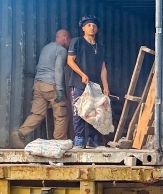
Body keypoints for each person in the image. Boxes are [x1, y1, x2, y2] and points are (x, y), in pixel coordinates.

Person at [12, 29, 72, 146]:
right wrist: (60, 89)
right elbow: (58, 69)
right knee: (61, 113)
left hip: (38, 85)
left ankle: (21, 133)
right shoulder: (61, 50)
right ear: (65, 38)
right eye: (69, 40)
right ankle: (59, 142)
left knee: (37, 113)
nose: (69, 43)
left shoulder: (46, 48)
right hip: (51, 85)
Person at [66, 15, 110, 148]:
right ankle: (79, 139)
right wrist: (82, 74)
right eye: (89, 25)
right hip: (79, 83)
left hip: (94, 85)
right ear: (83, 28)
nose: (92, 28)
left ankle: (92, 140)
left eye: (94, 26)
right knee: (79, 110)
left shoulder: (100, 47)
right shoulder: (77, 41)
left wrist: (105, 86)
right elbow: (70, 60)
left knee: (94, 111)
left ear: (97, 29)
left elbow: (103, 68)